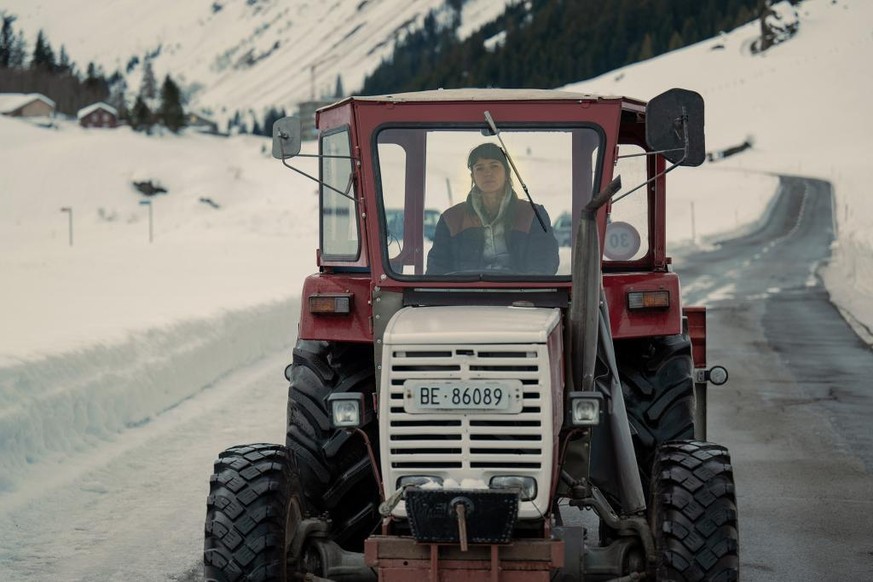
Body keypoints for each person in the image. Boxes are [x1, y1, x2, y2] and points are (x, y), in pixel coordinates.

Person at [426, 142, 559, 275]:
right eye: (480, 168)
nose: (488, 173)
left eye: (494, 166)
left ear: (507, 173)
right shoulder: (451, 219)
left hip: (518, 288)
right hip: (467, 288)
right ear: (473, 177)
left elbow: (543, 262)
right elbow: (437, 267)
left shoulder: (533, 215)